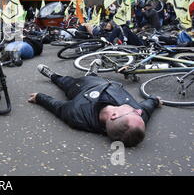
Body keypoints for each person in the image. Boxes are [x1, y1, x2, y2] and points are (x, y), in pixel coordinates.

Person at [29, 61, 162, 147]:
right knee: (94, 77)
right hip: (106, 83)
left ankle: (52, 76)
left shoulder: (77, 115)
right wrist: (155, 100)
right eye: (139, 114)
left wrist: (40, 97)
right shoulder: (138, 119)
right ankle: (93, 73)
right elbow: (147, 108)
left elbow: (57, 106)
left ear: (114, 115)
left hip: (81, 87)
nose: (138, 111)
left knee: (65, 82)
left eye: (135, 112)